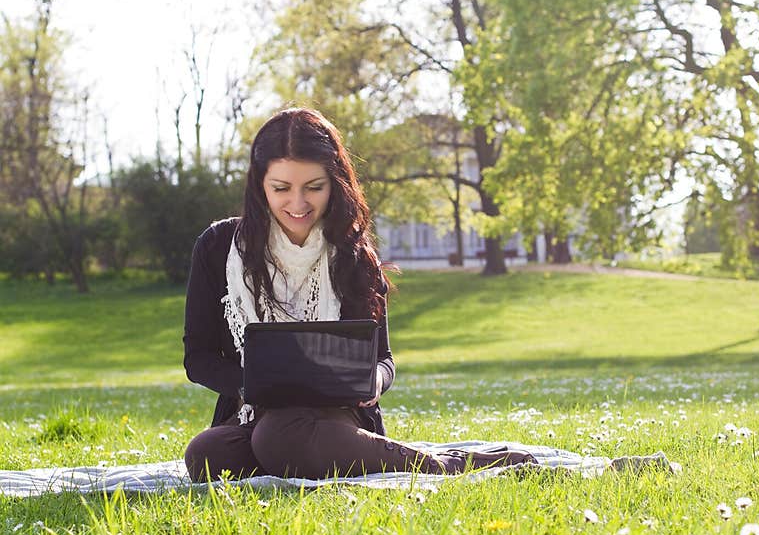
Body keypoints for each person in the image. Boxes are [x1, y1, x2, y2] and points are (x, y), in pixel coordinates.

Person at [182, 107, 538, 482]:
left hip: (337, 414)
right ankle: (310, 454)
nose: (298, 204)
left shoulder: (353, 254)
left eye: (314, 187)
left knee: (279, 437)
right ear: (259, 185)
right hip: (251, 413)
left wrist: (375, 382)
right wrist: (252, 384)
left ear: (335, 183)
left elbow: (383, 359)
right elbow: (198, 357)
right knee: (207, 454)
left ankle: (442, 465)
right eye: (282, 188)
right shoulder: (218, 247)